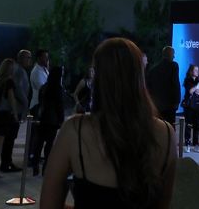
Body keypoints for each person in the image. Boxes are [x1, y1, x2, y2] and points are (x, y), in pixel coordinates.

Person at [38, 38, 176, 209]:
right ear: (139, 75)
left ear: (98, 77)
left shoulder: (75, 130)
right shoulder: (167, 134)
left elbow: (48, 205)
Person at [30, 63, 68, 176]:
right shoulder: (57, 88)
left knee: (39, 143)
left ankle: (35, 165)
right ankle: (46, 167)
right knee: (49, 145)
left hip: (42, 118)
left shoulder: (44, 87)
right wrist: (61, 120)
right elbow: (59, 106)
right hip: (52, 120)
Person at [0, 57, 25, 177]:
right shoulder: (9, 81)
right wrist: (15, 114)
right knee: (0, 142)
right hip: (4, 113)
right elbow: (11, 99)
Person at [147, 46, 181, 129]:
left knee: (159, 128)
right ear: (170, 54)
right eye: (173, 54)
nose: (174, 56)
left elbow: (150, 88)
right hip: (170, 105)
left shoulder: (154, 69)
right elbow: (175, 84)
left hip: (157, 105)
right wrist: (177, 101)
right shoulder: (173, 66)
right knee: (170, 128)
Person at [182, 65, 199, 148]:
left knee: (197, 125)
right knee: (188, 124)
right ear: (191, 71)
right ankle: (187, 143)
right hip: (190, 106)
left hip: (198, 105)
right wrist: (197, 88)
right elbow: (190, 91)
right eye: (195, 70)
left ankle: (196, 143)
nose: (197, 72)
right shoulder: (187, 80)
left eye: (198, 70)